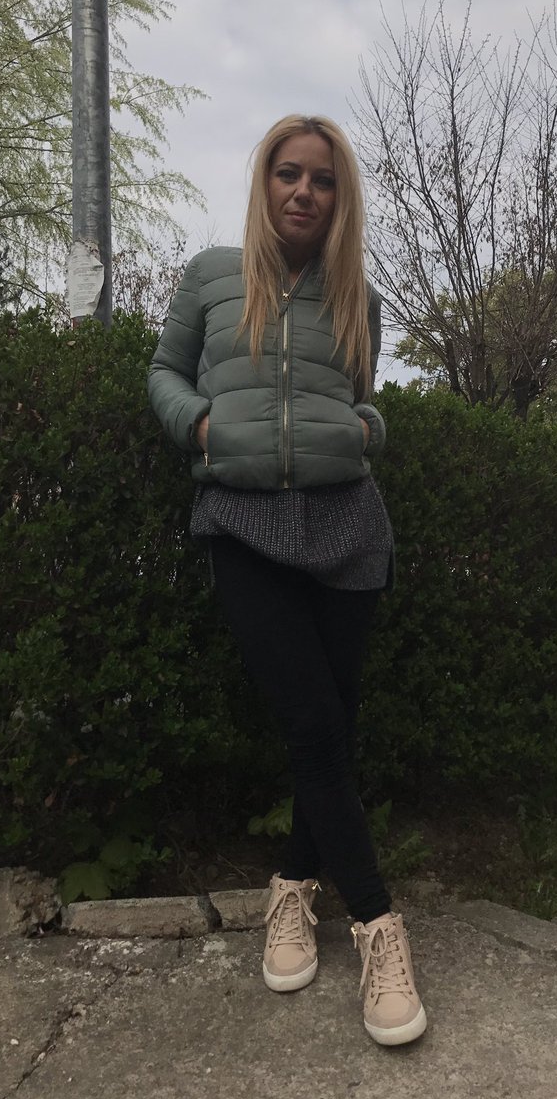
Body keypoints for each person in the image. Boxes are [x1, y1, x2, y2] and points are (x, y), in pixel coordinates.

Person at [147, 114, 426, 1047]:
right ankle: (379, 925)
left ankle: (293, 893)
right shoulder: (211, 276)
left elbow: (361, 400)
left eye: (324, 179)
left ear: (341, 198)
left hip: (348, 526)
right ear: (264, 182)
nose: (305, 191)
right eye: (288, 173)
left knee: (330, 730)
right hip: (243, 521)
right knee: (311, 724)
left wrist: (368, 430)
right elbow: (162, 372)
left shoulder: (358, 296)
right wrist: (199, 427)